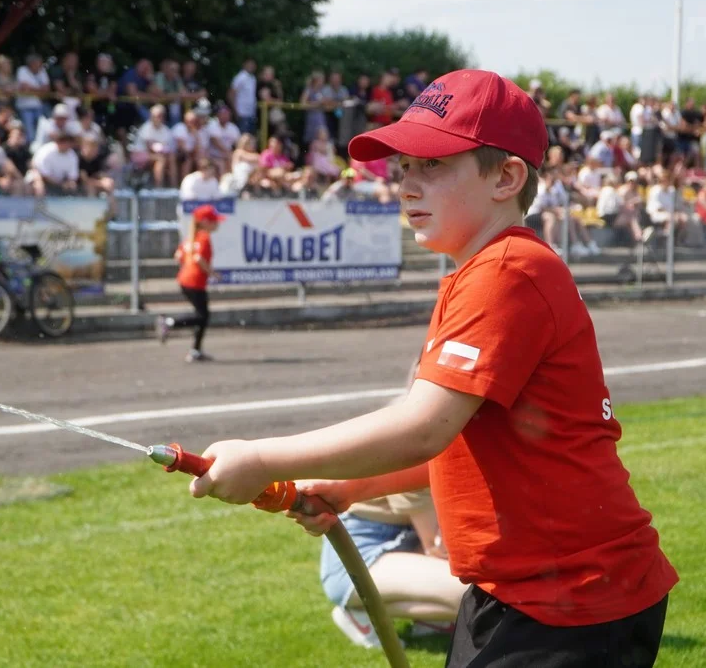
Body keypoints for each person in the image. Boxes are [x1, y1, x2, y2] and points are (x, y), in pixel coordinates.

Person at [186, 69, 678, 668]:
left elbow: (424, 426)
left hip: (573, 599)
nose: (408, 186)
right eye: (405, 169)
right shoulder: (485, 272)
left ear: (507, 177)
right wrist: (350, 488)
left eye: (434, 165)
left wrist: (263, 459)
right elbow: (452, 441)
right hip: (526, 592)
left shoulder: (505, 273)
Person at [322, 362, 468, 649]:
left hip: (399, 545)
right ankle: (359, 611)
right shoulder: (415, 441)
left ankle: (433, 620)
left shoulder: (436, 429)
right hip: (359, 560)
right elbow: (436, 545)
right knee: (479, 593)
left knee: (487, 590)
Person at [157, 204, 223, 363]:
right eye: (213, 221)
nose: (217, 224)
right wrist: (211, 273)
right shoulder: (204, 238)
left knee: (203, 316)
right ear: (205, 222)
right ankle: (170, 323)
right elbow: (199, 259)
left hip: (186, 280)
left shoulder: (191, 238)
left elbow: (178, 255)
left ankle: (196, 350)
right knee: (202, 316)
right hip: (194, 282)